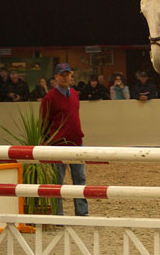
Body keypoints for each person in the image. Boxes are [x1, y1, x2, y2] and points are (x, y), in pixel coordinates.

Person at [40, 63, 88, 217]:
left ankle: (82, 213)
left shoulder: (74, 94)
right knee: (57, 181)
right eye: (62, 75)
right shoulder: (49, 98)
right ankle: (58, 215)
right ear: (56, 77)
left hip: (76, 143)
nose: (65, 77)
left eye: (67, 74)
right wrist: (48, 142)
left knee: (80, 179)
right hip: (58, 145)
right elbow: (44, 122)